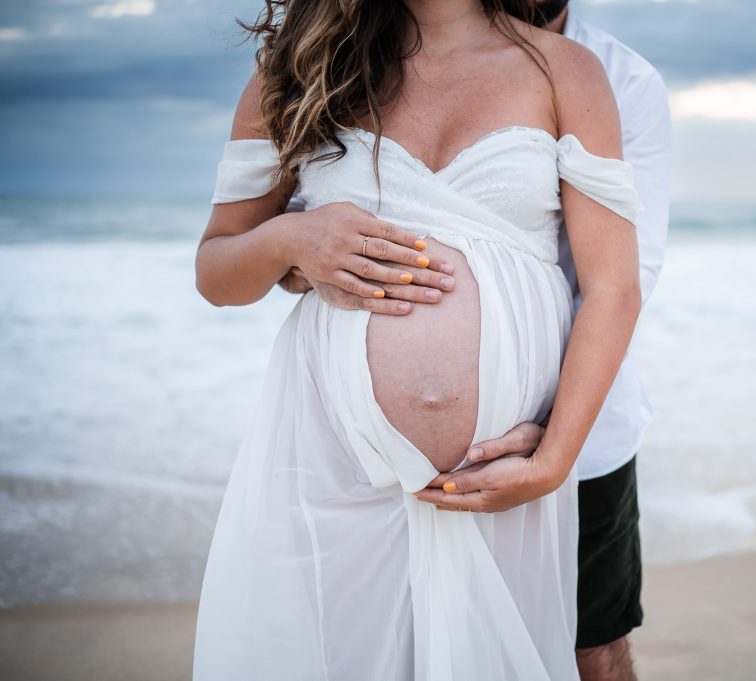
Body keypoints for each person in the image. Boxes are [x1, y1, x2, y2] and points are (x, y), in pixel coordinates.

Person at [191, 1, 643, 679]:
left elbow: (614, 288)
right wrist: (292, 238)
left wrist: (553, 459)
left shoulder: (564, 72)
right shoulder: (299, 68)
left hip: (498, 490)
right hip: (328, 472)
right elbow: (216, 271)